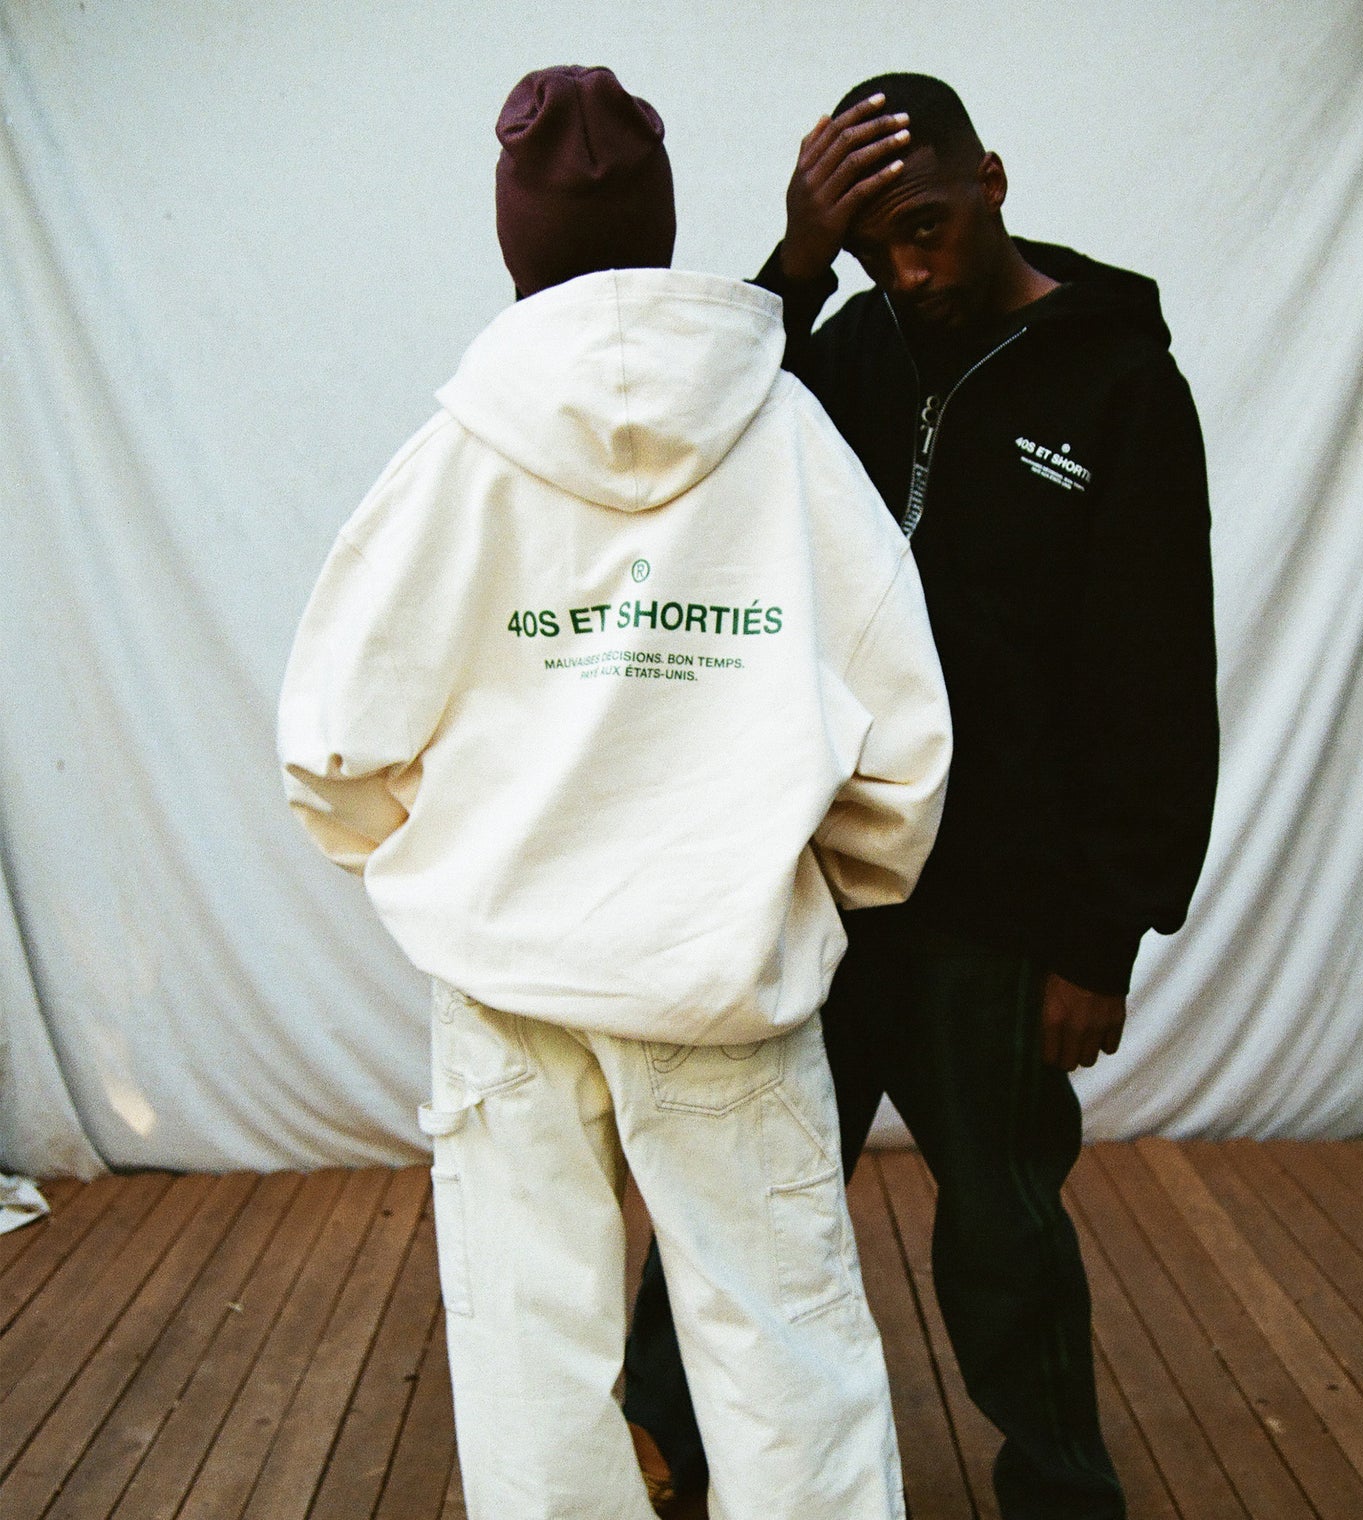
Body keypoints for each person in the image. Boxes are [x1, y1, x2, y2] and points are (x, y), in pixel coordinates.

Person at [278, 65, 953, 1520]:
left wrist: (463, 866)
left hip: (507, 976)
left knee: (532, 1370)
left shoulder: (456, 456)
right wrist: (796, 877)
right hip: (722, 978)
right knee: (784, 1367)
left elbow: (333, 752)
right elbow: (904, 749)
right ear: (658, 228)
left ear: (512, 242)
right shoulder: (783, 440)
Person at [624, 72, 1219, 1520]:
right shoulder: (847, 351)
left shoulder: (1117, 380)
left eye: (931, 225)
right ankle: (665, 1440)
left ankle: (1064, 1492)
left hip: (1005, 911)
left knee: (1004, 1232)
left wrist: (1104, 934)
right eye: (878, 237)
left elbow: (1155, 669)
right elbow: (699, 433)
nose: (911, 263)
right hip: (826, 884)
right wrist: (791, 258)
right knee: (747, 1187)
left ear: (996, 181)